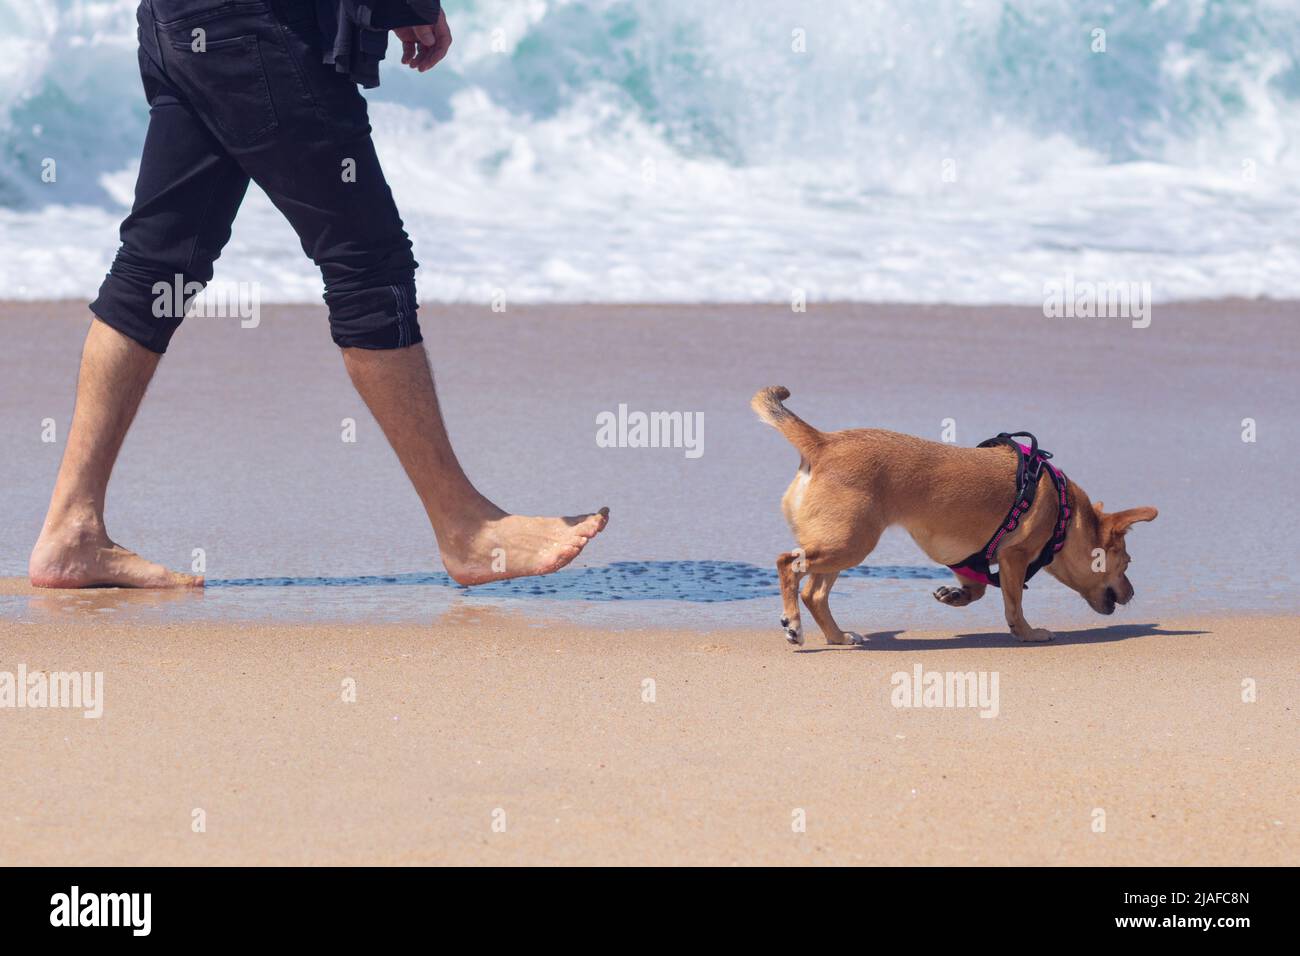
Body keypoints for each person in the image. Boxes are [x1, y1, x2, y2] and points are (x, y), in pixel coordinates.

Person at [28, 0, 607, 590]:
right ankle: (466, 528)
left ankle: (71, 529)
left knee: (155, 269)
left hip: (177, 24)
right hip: (257, 29)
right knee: (368, 264)